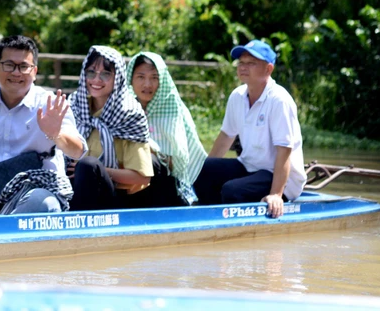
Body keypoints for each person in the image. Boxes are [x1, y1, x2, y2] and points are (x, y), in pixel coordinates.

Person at [0, 35, 86, 215]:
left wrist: (56, 135)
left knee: (44, 204)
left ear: (35, 71)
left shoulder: (50, 104)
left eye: (24, 66)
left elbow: (77, 151)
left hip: (36, 191)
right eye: (9, 65)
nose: (16, 73)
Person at [193, 40, 307, 217]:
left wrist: (276, 194)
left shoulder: (279, 100)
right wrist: (208, 171)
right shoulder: (237, 96)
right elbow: (225, 137)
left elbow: (284, 150)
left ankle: (226, 224)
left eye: (251, 63)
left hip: (279, 176)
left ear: (268, 69)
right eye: (241, 63)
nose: (243, 67)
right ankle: (208, 216)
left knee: (232, 191)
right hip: (249, 166)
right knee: (202, 169)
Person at [67, 45, 156, 212]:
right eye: (91, 72)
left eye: (106, 74)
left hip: (114, 198)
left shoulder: (130, 114)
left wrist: (98, 171)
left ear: (118, 78)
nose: (96, 80)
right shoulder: (74, 106)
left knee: (87, 166)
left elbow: (142, 177)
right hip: (70, 190)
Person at [126, 51, 208, 206]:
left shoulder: (173, 109)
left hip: (165, 185)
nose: (147, 84)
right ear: (131, 78)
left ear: (162, 80)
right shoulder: (123, 109)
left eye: (154, 78)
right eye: (141, 77)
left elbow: (179, 161)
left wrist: (152, 150)